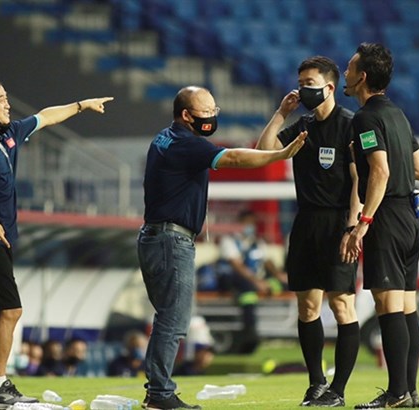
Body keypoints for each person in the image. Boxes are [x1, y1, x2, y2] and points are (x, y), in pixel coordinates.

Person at [0, 75, 113, 409]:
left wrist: (82, 105)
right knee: (11, 310)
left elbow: (46, 116)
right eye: (1, 98)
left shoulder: (6, 134)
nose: (8, 103)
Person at [138, 85, 307, 410]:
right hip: (172, 241)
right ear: (186, 115)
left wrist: (280, 117)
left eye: (215, 110)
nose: (212, 117)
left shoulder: (164, 137)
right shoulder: (187, 144)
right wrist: (280, 155)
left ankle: (156, 392)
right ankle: (159, 394)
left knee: (167, 318)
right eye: (206, 112)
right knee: (174, 320)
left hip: (156, 237)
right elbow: (234, 157)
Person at [256, 56, 362, 407]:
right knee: (307, 306)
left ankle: (339, 390)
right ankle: (316, 382)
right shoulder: (302, 126)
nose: (303, 89)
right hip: (306, 223)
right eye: (300, 83)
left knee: (343, 305)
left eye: (310, 84)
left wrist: (354, 226)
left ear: (330, 87)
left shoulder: (350, 125)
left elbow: (359, 181)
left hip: (338, 223)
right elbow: (264, 152)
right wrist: (280, 113)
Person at [341, 43, 419, 409]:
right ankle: (408, 392)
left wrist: (362, 223)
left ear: (362, 77)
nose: (345, 73)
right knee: (406, 306)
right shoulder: (399, 115)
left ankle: (396, 394)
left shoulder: (364, 119)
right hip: (411, 215)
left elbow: (380, 171)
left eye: (348, 68)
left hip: (387, 218)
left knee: (387, 303)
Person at [216, 209, 288, 354]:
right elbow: (236, 265)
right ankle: (249, 330)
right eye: (247, 223)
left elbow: (267, 261)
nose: (250, 226)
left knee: (281, 285)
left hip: (254, 280)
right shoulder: (229, 241)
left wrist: (278, 275)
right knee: (247, 289)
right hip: (233, 279)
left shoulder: (257, 242)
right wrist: (256, 282)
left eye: (252, 224)